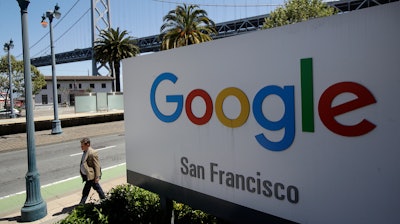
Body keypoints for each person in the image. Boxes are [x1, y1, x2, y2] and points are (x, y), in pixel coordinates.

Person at [79, 137, 105, 204]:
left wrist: (97, 177)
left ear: (87, 144)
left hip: (91, 176)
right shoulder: (85, 152)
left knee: (86, 191)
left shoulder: (92, 153)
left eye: (82, 146)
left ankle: (81, 204)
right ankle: (104, 199)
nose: (81, 147)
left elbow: (97, 165)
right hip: (88, 175)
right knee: (97, 188)